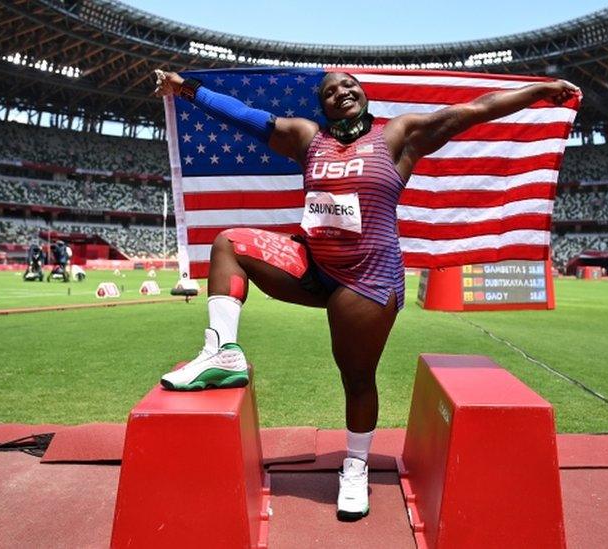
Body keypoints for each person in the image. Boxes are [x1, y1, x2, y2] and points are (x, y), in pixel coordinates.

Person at [152, 69, 579, 521]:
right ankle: (221, 353)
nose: (341, 92)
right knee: (228, 245)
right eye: (330, 91)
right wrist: (186, 89)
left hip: (367, 279)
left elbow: (475, 110)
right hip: (312, 265)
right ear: (323, 106)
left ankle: (354, 467)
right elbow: (245, 116)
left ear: (363, 93)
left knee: (356, 378)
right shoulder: (307, 138)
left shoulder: (398, 135)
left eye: (348, 85)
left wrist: (538, 91)